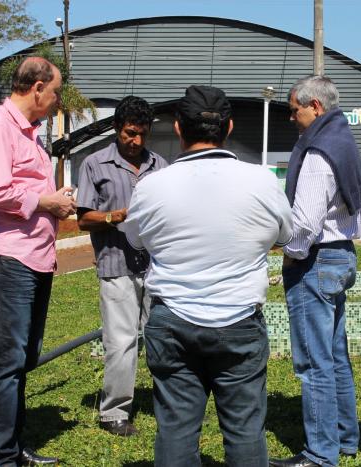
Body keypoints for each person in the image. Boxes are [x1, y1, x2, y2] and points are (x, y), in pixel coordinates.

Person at [122, 85, 292, 467]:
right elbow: (287, 234)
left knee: (176, 430)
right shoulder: (262, 180)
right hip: (239, 321)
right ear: (229, 127)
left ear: (179, 128)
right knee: (246, 430)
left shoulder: (151, 186)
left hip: (173, 321)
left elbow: (135, 238)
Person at [0, 56, 75, 466]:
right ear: (36, 88)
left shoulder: (27, 134)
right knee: (9, 360)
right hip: (8, 254)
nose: (55, 99)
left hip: (32, 256)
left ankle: (13, 445)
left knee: (24, 357)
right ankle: (1, 458)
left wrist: (54, 205)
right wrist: (45, 200)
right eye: (54, 91)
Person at [269, 75, 361, 467]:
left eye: (294, 110)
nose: (292, 118)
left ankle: (320, 453)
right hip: (341, 255)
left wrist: (290, 253)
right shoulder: (343, 141)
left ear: (315, 107)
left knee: (313, 363)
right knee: (334, 355)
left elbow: (306, 223)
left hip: (316, 260)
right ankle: (345, 439)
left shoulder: (316, 153)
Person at [76, 95, 167, 436]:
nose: (137, 141)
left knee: (162, 337)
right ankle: (114, 412)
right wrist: (116, 216)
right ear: (116, 128)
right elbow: (83, 219)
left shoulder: (160, 165)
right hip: (115, 265)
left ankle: (169, 403)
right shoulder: (94, 164)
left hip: (156, 268)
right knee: (121, 341)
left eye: (143, 134)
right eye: (130, 133)